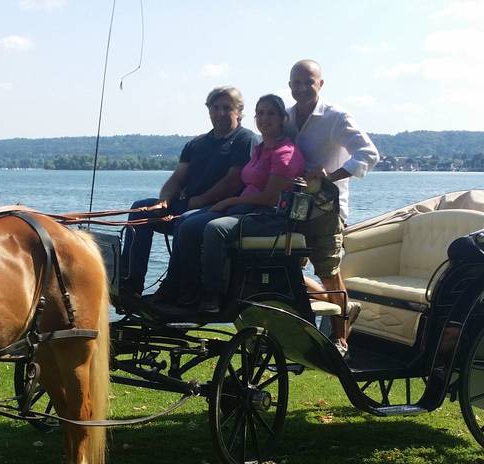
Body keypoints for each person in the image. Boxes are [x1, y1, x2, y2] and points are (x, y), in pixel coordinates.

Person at [118, 86, 257, 297]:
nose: (220, 113)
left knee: (185, 220)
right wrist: (163, 201)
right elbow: (177, 177)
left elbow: (233, 181)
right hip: (191, 205)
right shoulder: (196, 143)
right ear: (208, 109)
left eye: (227, 108)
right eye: (215, 107)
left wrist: (201, 200)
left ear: (239, 111)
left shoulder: (245, 139)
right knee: (140, 209)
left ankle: (174, 288)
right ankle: (130, 284)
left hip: (222, 209)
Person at [173, 94, 305, 312]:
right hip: (246, 209)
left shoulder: (285, 154)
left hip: (269, 217)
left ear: (283, 118)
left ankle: (212, 296)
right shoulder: (261, 149)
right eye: (260, 113)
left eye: (271, 113)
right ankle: (185, 290)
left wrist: (229, 201)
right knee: (186, 221)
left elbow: (270, 198)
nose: (264, 118)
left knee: (216, 229)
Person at [288, 59, 379, 355]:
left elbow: (368, 154)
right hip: (294, 208)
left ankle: (340, 339)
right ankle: (338, 314)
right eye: (296, 83)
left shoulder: (336, 117)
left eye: (308, 82)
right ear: (290, 86)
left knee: (328, 272)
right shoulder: (286, 118)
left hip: (328, 210)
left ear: (320, 84)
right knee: (286, 271)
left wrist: (329, 176)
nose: (302, 88)